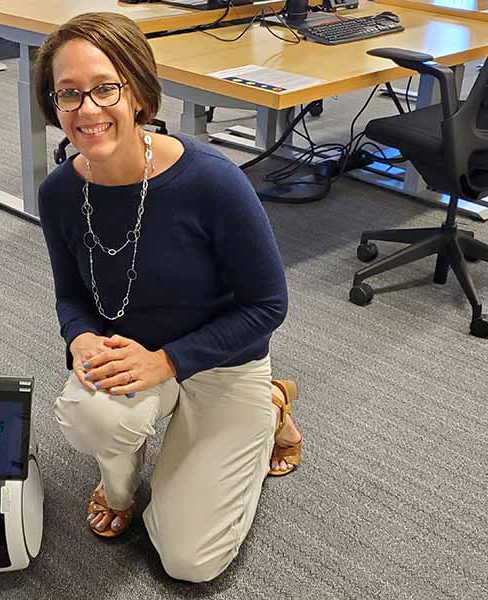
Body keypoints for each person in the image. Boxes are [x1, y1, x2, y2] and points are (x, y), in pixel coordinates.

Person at [34, 12, 303, 583]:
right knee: (90, 418)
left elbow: (267, 305)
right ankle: (120, 491)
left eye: (106, 88)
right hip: (129, 353)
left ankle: (271, 405)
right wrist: (81, 337)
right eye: (68, 94)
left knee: (189, 561)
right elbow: (69, 295)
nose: (87, 110)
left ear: (137, 92)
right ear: (53, 105)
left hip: (222, 361)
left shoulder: (210, 181)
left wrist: (167, 363)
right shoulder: (59, 191)